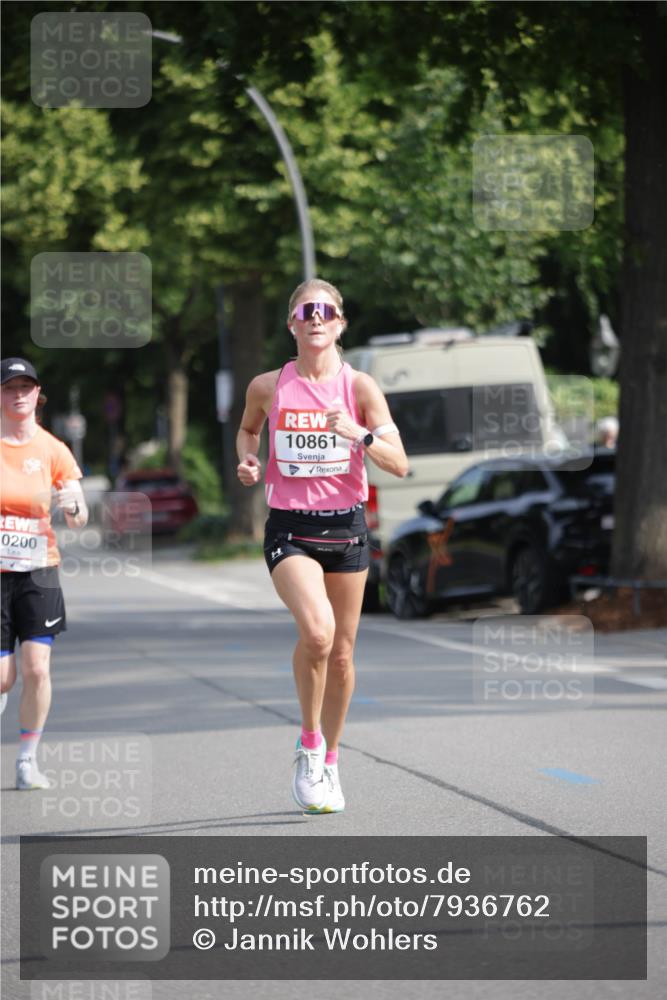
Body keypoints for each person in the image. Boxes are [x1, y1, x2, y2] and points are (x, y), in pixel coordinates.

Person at [236, 280, 408, 814]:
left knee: (341, 655)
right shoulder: (268, 386)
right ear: (292, 324)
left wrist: (358, 434)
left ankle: (331, 759)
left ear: (340, 323)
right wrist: (248, 460)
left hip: (348, 530)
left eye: (326, 311)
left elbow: (400, 463)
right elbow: (248, 431)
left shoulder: (360, 388)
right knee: (317, 632)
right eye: (305, 311)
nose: (315, 318)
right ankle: (308, 745)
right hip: (290, 529)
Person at [0, 358, 88, 789]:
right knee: (3, 676)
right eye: (9, 388)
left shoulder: (53, 448)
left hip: (39, 571)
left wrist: (72, 505)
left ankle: (26, 761)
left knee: (36, 669)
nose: (18, 395)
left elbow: (78, 512)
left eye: (26, 387)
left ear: (38, 395)